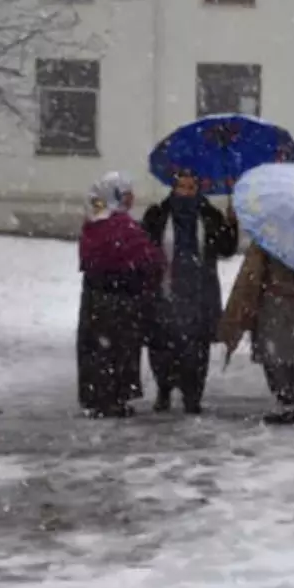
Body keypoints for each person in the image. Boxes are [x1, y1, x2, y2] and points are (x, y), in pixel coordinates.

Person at [142, 170, 238, 415]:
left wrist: (232, 223)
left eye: (191, 187)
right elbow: (144, 248)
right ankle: (164, 389)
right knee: (163, 346)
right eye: (181, 186)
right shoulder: (158, 214)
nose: (186, 191)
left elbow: (226, 249)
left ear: (198, 189)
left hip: (199, 294)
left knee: (195, 348)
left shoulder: (209, 216)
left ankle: (192, 395)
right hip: (165, 291)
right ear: (173, 188)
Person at [77, 172, 163, 419]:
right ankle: (114, 398)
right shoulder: (121, 226)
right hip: (120, 300)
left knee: (96, 351)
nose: (132, 198)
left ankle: (96, 397)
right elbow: (148, 259)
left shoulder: (93, 222)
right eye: (127, 194)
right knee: (119, 351)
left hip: (95, 298)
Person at [219, 242, 294, 425]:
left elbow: (252, 276)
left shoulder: (268, 239)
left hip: (275, 303)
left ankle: (286, 401)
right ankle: (292, 400)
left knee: (275, 356)